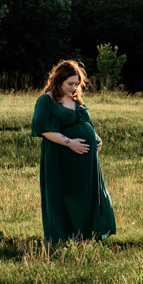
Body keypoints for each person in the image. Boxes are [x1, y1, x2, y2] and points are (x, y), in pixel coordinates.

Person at [30, 59, 116, 246]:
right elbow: (44, 129)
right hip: (61, 157)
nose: (74, 87)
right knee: (63, 195)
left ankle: (85, 237)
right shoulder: (47, 100)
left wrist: (95, 137)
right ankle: (62, 238)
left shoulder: (75, 98)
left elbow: (83, 122)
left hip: (85, 160)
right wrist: (70, 143)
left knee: (86, 196)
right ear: (58, 80)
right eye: (70, 83)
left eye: (76, 83)